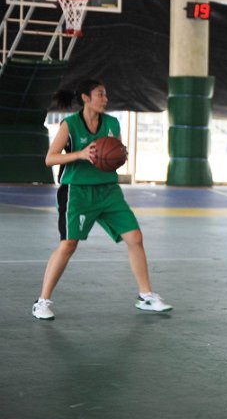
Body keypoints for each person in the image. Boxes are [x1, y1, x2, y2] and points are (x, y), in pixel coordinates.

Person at [32, 79, 172, 320]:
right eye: (100, 94)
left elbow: (112, 154)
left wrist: (118, 156)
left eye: (105, 95)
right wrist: (80, 154)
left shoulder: (111, 123)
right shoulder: (70, 125)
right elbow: (50, 159)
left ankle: (146, 296)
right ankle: (42, 302)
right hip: (77, 191)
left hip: (108, 191)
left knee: (135, 237)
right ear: (86, 98)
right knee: (69, 244)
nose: (105, 99)